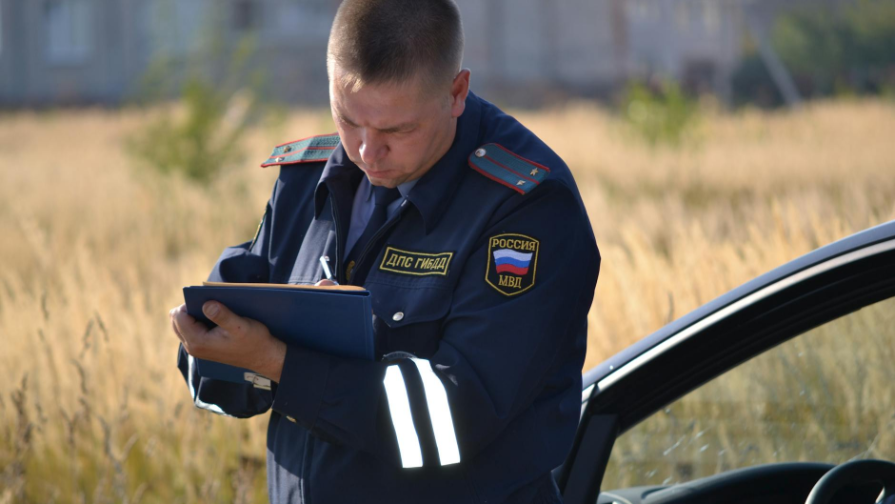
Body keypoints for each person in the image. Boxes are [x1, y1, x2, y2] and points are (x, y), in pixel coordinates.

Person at [169, 0, 601, 502]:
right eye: (348, 120)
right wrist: (212, 344)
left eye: (398, 130)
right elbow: (223, 387)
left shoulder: (526, 207)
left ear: (456, 92)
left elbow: (454, 420)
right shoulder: (308, 177)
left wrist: (283, 365)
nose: (367, 152)